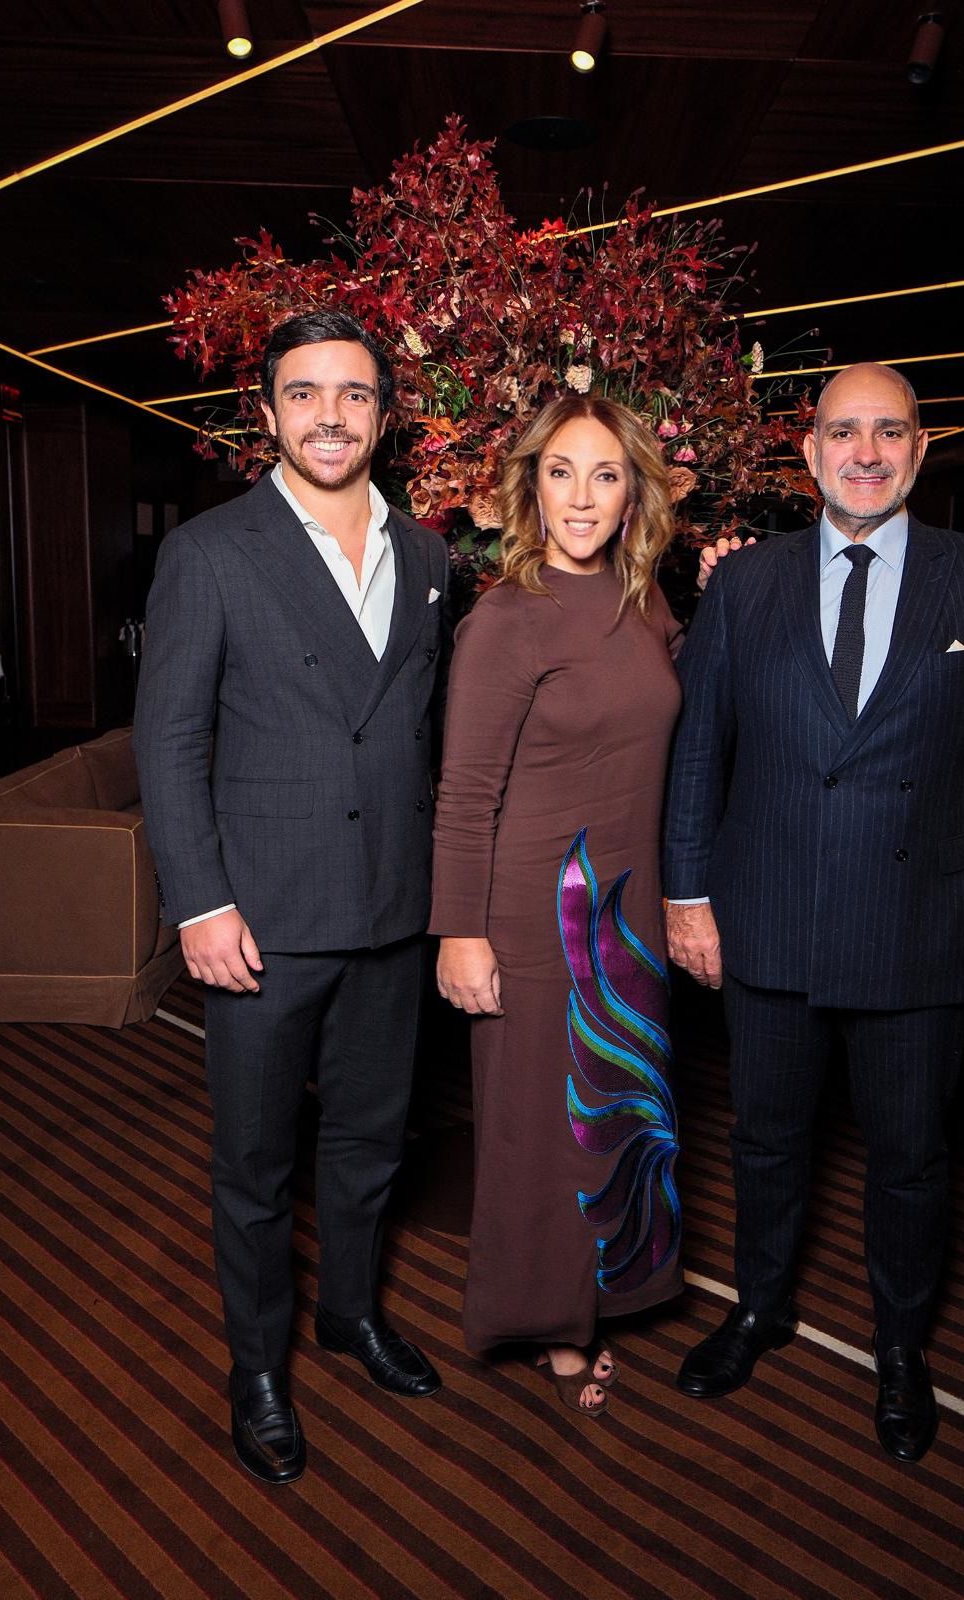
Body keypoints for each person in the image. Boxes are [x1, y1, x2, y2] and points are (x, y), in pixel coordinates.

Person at [663, 362, 964, 1461]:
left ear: (921, 450)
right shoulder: (744, 584)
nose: (865, 451)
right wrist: (688, 893)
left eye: (889, 432)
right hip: (769, 914)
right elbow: (702, 754)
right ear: (809, 450)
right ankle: (759, 1307)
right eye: (843, 432)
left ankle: (901, 1348)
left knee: (911, 1154)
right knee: (767, 1140)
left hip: (922, 925)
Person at [134, 310, 449, 1484]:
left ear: (383, 413)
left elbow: (417, 733)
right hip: (259, 921)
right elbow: (169, 742)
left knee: (370, 1144)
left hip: (389, 912)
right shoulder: (211, 553)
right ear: (266, 413)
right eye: (305, 394)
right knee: (256, 1165)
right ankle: (257, 1364)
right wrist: (200, 902)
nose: (331, 415)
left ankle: (352, 1312)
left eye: (355, 395)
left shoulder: (427, 556)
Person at [428, 395, 684, 1416]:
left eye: (606, 474)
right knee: (538, 1134)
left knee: (617, 1120)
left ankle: (602, 1290)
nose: (582, 495)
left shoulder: (647, 601)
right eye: (561, 471)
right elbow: (463, 791)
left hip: (629, 914)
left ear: (634, 495)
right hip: (534, 916)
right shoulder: (506, 616)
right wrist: (458, 930)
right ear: (530, 486)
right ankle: (547, 1325)